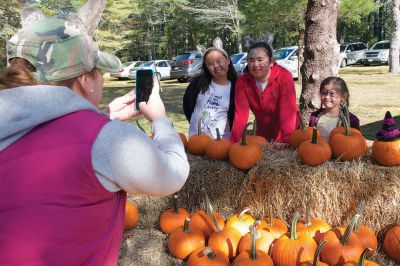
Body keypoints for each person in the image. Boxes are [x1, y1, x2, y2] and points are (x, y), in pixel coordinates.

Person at [0, 1, 189, 265]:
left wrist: (102, 117)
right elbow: (173, 175)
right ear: (84, 80)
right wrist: (159, 119)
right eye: (99, 71)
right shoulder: (108, 141)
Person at [229, 41, 297, 149]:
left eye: (260, 60)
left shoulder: (284, 77)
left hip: (286, 131)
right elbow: (240, 114)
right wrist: (234, 143)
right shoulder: (242, 82)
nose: (255, 65)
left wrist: (286, 138)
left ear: (271, 62)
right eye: (251, 60)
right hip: (263, 134)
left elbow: (287, 110)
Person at [183, 38, 238, 139]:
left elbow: (237, 116)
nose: (216, 66)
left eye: (218, 61)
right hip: (195, 141)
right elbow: (187, 106)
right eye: (210, 64)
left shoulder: (236, 88)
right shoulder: (198, 84)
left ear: (228, 60)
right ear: (207, 68)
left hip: (221, 144)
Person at [309, 76, 360, 141]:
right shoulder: (314, 117)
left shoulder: (352, 120)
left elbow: (356, 142)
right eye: (324, 93)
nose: (327, 97)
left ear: (344, 96)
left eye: (332, 94)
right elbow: (309, 138)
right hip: (316, 150)